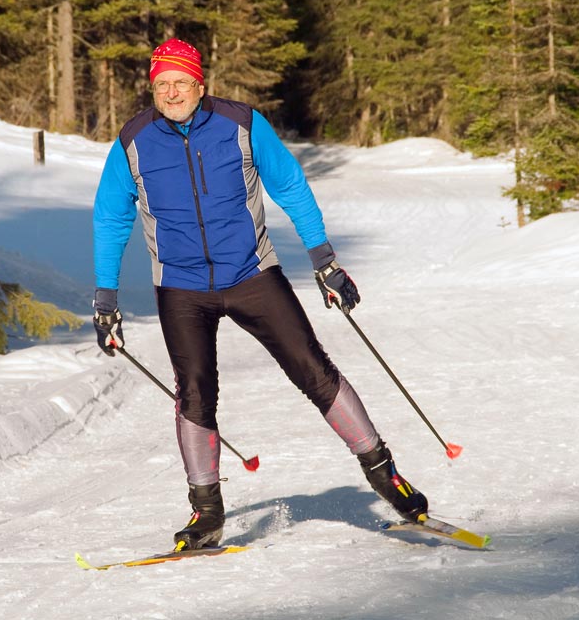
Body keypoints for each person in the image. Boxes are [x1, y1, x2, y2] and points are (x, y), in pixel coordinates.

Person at [92, 38, 428, 551]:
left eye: (181, 82)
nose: (172, 92)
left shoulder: (241, 123)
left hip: (252, 273)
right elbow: (111, 217)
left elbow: (290, 185)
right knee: (195, 391)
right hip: (180, 286)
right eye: (162, 84)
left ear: (200, 84)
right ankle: (206, 515)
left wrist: (324, 260)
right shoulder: (134, 140)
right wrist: (105, 298)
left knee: (312, 368)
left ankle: (385, 475)